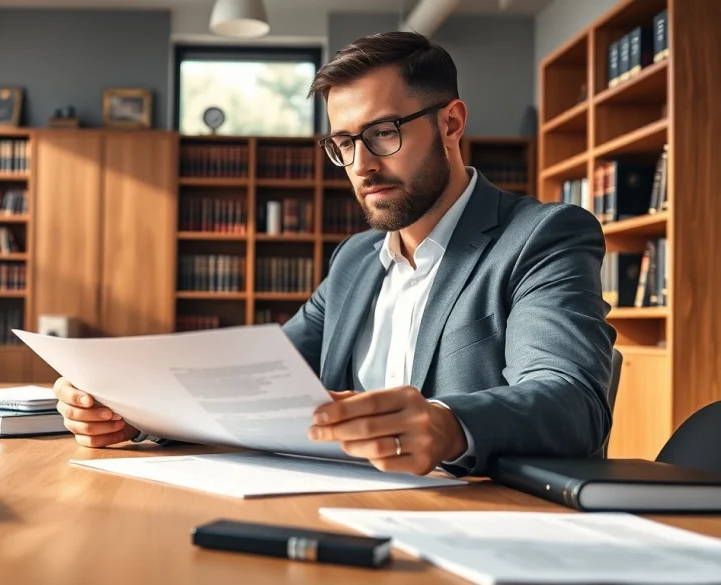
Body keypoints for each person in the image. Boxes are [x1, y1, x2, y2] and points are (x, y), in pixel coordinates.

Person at [52, 31, 616, 478]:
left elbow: (572, 400)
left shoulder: (543, 236)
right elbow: (256, 378)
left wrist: (447, 424)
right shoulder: (354, 261)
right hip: (335, 510)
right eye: (343, 143)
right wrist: (126, 406)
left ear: (451, 123)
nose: (362, 165)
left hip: (476, 524)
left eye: (384, 133)